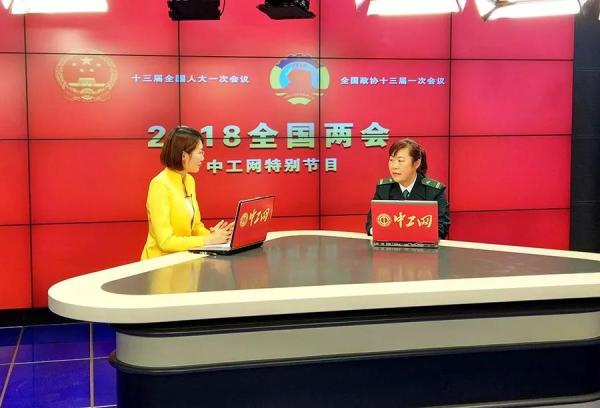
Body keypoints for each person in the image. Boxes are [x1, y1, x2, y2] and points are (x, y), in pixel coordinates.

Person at [141, 126, 233, 260]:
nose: (203, 158)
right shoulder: (159, 184)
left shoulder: (189, 180)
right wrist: (209, 240)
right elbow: (165, 242)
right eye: (200, 152)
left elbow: (195, 227)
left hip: (183, 259)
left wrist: (216, 235)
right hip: (160, 263)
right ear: (184, 155)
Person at [365, 138, 450, 239]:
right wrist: (377, 231)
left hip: (423, 247)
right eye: (391, 160)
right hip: (389, 247)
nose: (394, 166)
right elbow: (371, 223)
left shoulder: (434, 191)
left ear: (416, 163)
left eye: (400, 161)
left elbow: (442, 227)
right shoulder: (384, 188)